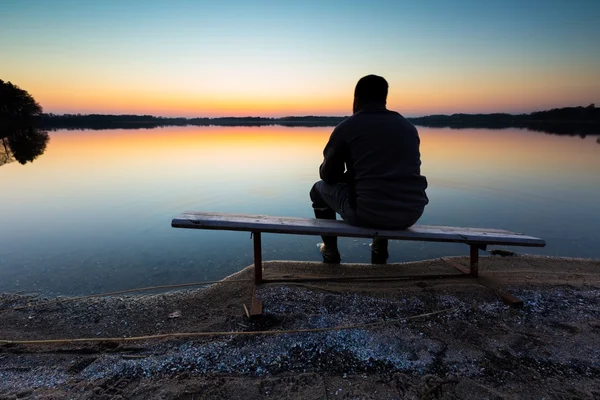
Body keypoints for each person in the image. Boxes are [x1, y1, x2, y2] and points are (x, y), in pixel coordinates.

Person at [310, 74, 429, 264]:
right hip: (411, 212)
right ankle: (380, 247)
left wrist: (344, 176)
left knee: (317, 189)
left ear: (356, 99)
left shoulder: (347, 127)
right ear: (384, 99)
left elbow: (329, 176)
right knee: (380, 187)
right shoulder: (407, 127)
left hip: (367, 213)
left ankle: (330, 250)